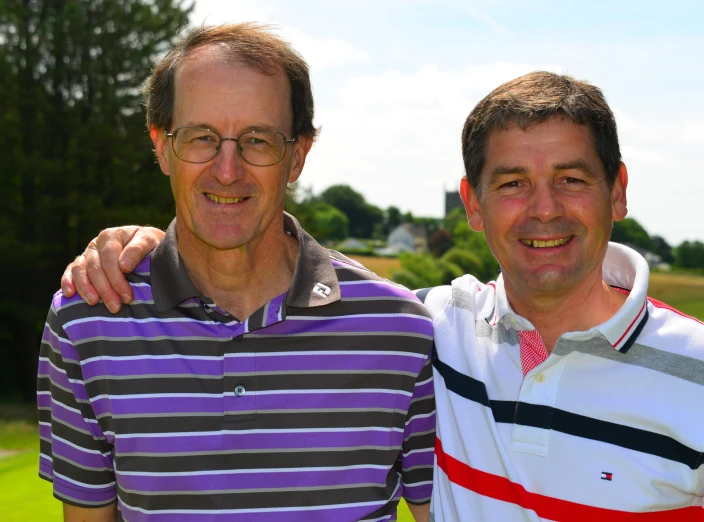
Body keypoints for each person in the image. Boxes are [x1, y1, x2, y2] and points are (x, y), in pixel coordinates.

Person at [62, 72, 704, 521]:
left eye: (571, 178)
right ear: (471, 204)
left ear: (616, 191)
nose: (543, 210)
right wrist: (140, 244)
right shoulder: (430, 327)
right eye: (510, 184)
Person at [39, 23, 434, 522]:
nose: (228, 170)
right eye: (201, 137)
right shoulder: (88, 321)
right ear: (162, 147)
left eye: (258, 140)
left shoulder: (400, 330)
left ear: (297, 156)